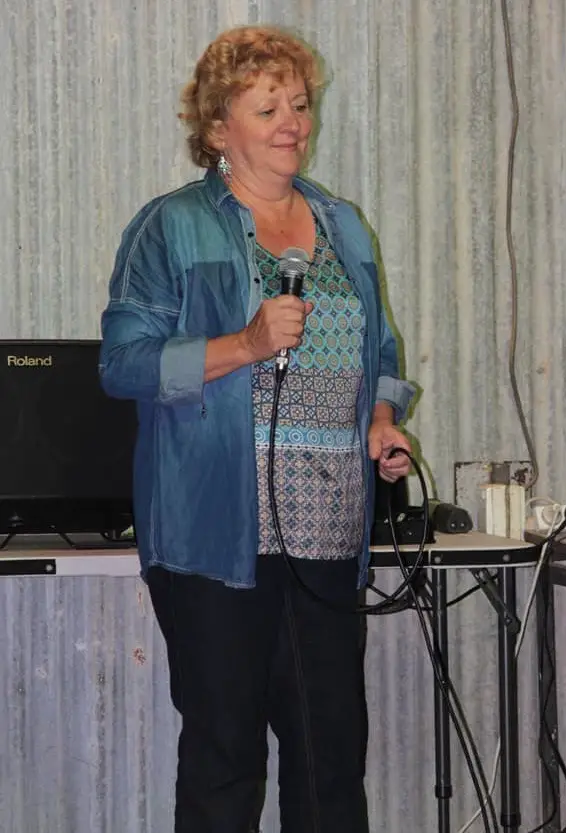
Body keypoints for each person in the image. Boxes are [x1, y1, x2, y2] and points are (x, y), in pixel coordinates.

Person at [100, 24, 415, 833]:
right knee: (225, 762)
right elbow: (124, 365)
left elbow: (379, 352)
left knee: (329, 762)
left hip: (327, 539)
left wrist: (382, 420)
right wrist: (242, 343)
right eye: (267, 105)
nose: (292, 121)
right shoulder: (171, 227)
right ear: (217, 129)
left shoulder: (344, 227)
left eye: (300, 104)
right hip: (215, 539)